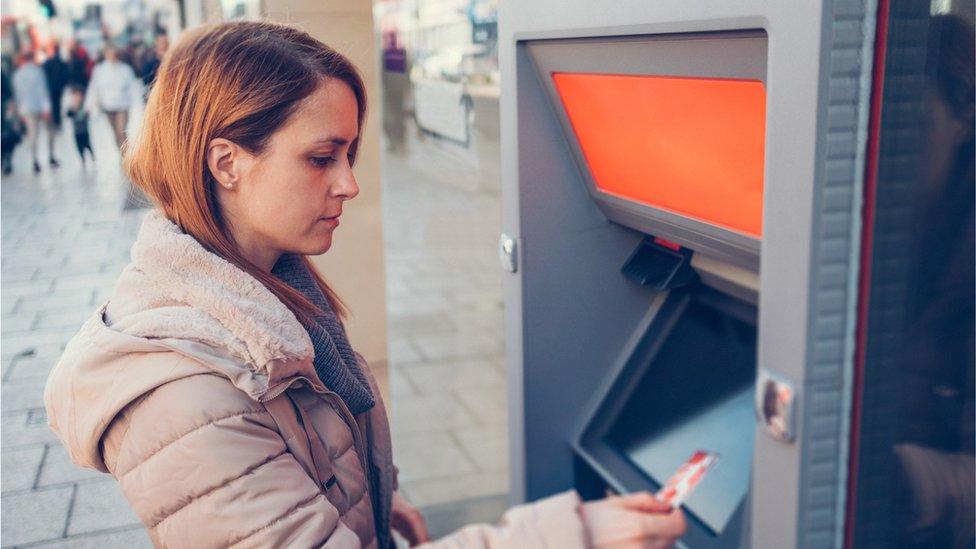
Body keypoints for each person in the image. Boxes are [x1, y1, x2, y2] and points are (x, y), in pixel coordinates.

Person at [44, 22, 686, 548]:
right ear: (227, 162)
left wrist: (368, 498)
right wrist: (567, 536)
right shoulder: (187, 396)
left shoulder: (271, 293)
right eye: (322, 158)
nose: (348, 183)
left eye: (349, 155)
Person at [84, 45, 137, 152]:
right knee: (115, 133)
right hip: (108, 106)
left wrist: (135, 101)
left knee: (121, 131)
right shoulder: (100, 70)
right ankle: (122, 153)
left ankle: (127, 156)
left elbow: (133, 87)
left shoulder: (125, 69)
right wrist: (89, 105)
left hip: (122, 105)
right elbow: (94, 87)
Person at [12, 51, 58, 172]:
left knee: (32, 134)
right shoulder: (38, 72)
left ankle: (35, 159)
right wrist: (46, 108)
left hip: (26, 108)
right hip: (40, 106)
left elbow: (18, 95)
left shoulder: (17, 75)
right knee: (50, 131)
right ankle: (51, 156)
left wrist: (20, 111)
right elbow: (42, 90)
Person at [42, 41, 70, 130]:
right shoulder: (46, 64)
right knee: (55, 105)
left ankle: (57, 121)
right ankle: (57, 121)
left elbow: (64, 73)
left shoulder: (57, 62)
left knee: (57, 105)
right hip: (52, 88)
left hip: (57, 87)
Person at [65, 85, 94, 166]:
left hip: (85, 131)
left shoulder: (84, 107)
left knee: (88, 145)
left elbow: (88, 115)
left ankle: (92, 157)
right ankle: (83, 159)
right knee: (79, 147)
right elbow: (67, 114)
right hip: (77, 132)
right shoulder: (71, 108)